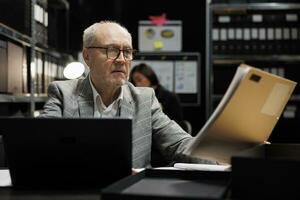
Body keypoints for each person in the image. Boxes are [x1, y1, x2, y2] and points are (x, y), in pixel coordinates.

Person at [39, 20, 214, 168]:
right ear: (87, 56)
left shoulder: (144, 99)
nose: (122, 60)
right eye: (112, 50)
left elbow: (179, 144)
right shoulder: (63, 93)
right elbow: (40, 145)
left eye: (127, 52)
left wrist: (224, 158)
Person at [129, 63, 188, 133]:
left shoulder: (169, 97)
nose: (137, 85)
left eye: (139, 80)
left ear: (149, 77)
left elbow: (181, 126)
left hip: (164, 136)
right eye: (134, 82)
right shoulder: (134, 98)